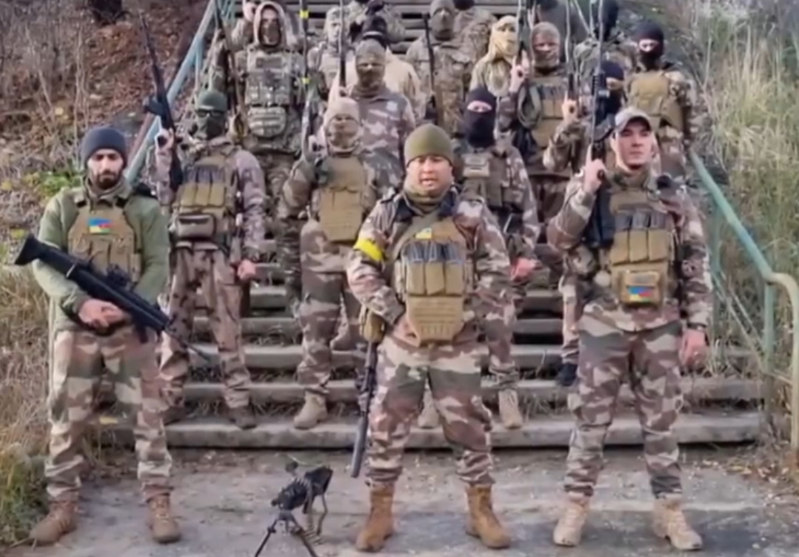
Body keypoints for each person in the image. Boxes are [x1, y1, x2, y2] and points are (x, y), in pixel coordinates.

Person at [547, 107, 711, 551]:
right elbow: (557, 241)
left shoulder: (672, 196)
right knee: (590, 423)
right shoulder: (592, 187)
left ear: (654, 142)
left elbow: (694, 262)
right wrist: (585, 191)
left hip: (660, 327)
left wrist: (697, 325)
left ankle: (669, 510)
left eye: (643, 134)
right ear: (612, 141)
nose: (636, 141)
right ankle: (576, 506)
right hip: (604, 325)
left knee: (662, 424)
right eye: (627, 134)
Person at [347, 124, 512, 551]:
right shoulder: (387, 214)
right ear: (407, 166)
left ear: (450, 166)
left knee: (469, 426)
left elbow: (497, 269)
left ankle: (481, 510)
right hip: (403, 344)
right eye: (419, 161)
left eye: (436, 160)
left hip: (457, 344)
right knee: (386, 424)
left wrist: (467, 313)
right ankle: (380, 512)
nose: (427, 169)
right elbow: (359, 267)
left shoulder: (472, 214)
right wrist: (395, 313)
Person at [29, 126, 179, 545]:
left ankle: (158, 501)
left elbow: (158, 265)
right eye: (98, 158)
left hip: (129, 329)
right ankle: (62, 505)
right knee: (66, 419)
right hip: (75, 330)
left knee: (148, 416)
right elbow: (43, 264)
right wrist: (81, 304)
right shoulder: (63, 206)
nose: (106, 165)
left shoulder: (144, 208)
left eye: (113, 157)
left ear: (124, 161)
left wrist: (131, 305)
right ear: (87, 162)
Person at [154, 90, 266, 428]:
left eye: (213, 113)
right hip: (180, 252)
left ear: (225, 117)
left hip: (220, 252)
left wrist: (251, 255)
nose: (206, 120)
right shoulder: (183, 156)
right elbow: (164, 198)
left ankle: (238, 401)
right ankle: (170, 398)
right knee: (173, 330)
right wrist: (164, 157)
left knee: (228, 331)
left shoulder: (241, 159)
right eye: (201, 113)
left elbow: (255, 208)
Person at [278, 96, 390, 430]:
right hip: (319, 259)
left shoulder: (375, 165)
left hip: (362, 260)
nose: (340, 125)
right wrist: (291, 266)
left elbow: (393, 215)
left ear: (360, 125)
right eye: (334, 119)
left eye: (347, 119)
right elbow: (286, 211)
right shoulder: (312, 165)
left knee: (366, 331)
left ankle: (369, 395)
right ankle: (315, 397)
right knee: (316, 330)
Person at [448, 85, 541, 429]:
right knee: (449, 331)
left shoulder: (509, 156)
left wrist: (525, 254)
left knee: (499, 329)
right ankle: (442, 398)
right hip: (455, 258)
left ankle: (506, 393)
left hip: (500, 258)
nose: (478, 116)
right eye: (472, 109)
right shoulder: (450, 155)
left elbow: (528, 211)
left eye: (484, 110)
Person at [213, 0, 304, 313]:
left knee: (286, 224)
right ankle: (239, 297)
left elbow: (307, 103)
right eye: (262, 21)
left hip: (284, 154)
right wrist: (222, 49)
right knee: (239, 224)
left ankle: (294, 296)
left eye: (273, 20)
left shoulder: (295, 62)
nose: (268, 26)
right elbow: (218, 88)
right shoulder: (241, 60)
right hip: (249, 154)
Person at [542, 59, 627, 386]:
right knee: (574, 286)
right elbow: (552, 162)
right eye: (603, 88)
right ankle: (571, 357)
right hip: (582, 208)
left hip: (619, 215)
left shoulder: (630, 127)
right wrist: (567, 124)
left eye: (614, 87)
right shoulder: (583, 127)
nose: (607, 94)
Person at [499, 21, 570, 285]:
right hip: (528, 170)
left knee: (559, 237)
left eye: (551, 44)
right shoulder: (521, 81)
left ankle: (560, 285)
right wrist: (515, 86)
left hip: (561, 171)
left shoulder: (570, 81)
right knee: (525, 237)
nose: (546, 50)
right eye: (540, 45)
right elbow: (501, 122)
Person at [626, 20, 699, 183]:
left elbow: (690, 111)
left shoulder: (676, 78)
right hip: (639, 145)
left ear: (661, 47)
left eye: (653, 45)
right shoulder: (631, 79)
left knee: (672, 190)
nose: (648, 50)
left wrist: (688, 141)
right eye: (644, 45)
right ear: (637, 47)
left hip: (669, 144)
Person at [405, 0, 473, 136]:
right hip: (424, 126)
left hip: (456, 127)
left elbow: (472, 88)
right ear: (430, 17)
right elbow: (408, 89)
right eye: (438, 11)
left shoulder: (467, 48)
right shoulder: (416, 50)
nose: (443, 15)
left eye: (448, 11)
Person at [470, 16, 517, 98]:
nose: (507, 34)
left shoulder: (527, 64)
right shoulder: (483, 66)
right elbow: (475, 98)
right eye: (502, 30)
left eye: (512, 30)